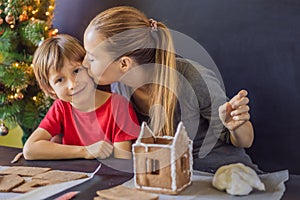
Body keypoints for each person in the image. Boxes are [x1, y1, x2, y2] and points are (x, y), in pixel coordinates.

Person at [82, 6, 261, 173]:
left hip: (222, 176)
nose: (84, 64)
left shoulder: (193, 78)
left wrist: (236, 125)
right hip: (169, 181)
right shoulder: (118, 86)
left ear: (124, 63)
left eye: (91, 58)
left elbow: (245, 141)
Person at [23, 34, 140, 160]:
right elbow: (30, 149)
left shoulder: (118, 106)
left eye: (77, 71)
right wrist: (85, 151)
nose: (73, 84)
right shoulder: (61, 108)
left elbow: (122, 161)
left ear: (88, 67)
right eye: (60, 80)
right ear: (51, 88)